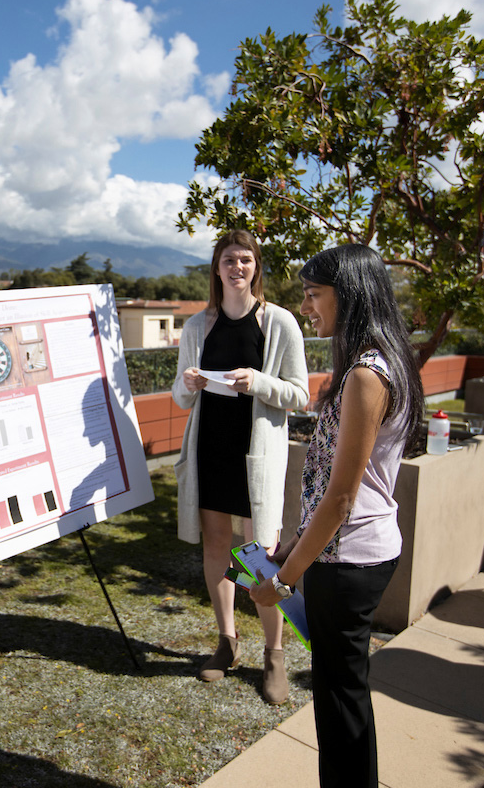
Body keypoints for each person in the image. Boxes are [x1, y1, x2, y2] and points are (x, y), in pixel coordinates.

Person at [250, 243, 423, 788]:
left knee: (340, 702)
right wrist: (294, 545)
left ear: (347, 295)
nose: (305, 307)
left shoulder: (366, 376)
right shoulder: (387, 360)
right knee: (345, 694)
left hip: (347, 559)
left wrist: (283, 579)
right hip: (356, 550)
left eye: (313, 294)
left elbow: (342, 498)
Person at [172, 229, 309, 702]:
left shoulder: (280, 322)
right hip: (211, 452)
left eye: (245, 259)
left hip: (257, 461)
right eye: (229, 259)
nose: (237, 267)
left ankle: (274, 654)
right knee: (216, 546)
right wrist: (189, 383)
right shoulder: (198, 326)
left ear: (256, 267)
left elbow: (300, 393)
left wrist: (259, 382)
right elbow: (179, 397)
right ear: (217, 268)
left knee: (259, 556)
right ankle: (227, 642)